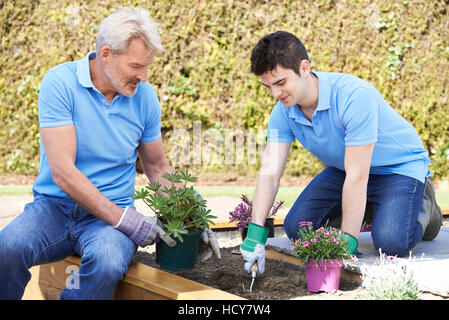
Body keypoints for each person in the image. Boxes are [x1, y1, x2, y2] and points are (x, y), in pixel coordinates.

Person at [0, 7, 220, 300]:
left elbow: (156, 166)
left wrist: (194, 216)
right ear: (106, 55)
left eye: (147, 67)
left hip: (106, 221)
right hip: (54, 208)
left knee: (107, 263)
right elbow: (63, 173)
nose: (144, 76)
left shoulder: (145, 98)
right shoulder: (60, 84)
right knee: (6, 249)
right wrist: (125, 220)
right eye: (136, 66)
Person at [240, 31, 442, 275]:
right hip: (346, 168)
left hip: (397, 169)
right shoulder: (283, 112)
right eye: (268, 86)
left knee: (391, 243)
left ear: (304, 68)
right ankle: (372, 208)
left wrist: (346, 241)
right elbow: (270, 175)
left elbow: (358, 177)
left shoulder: (353, 97)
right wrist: (255, 235)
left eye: (281, 83)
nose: (275, 94)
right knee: (298, 228)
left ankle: (425, 206)